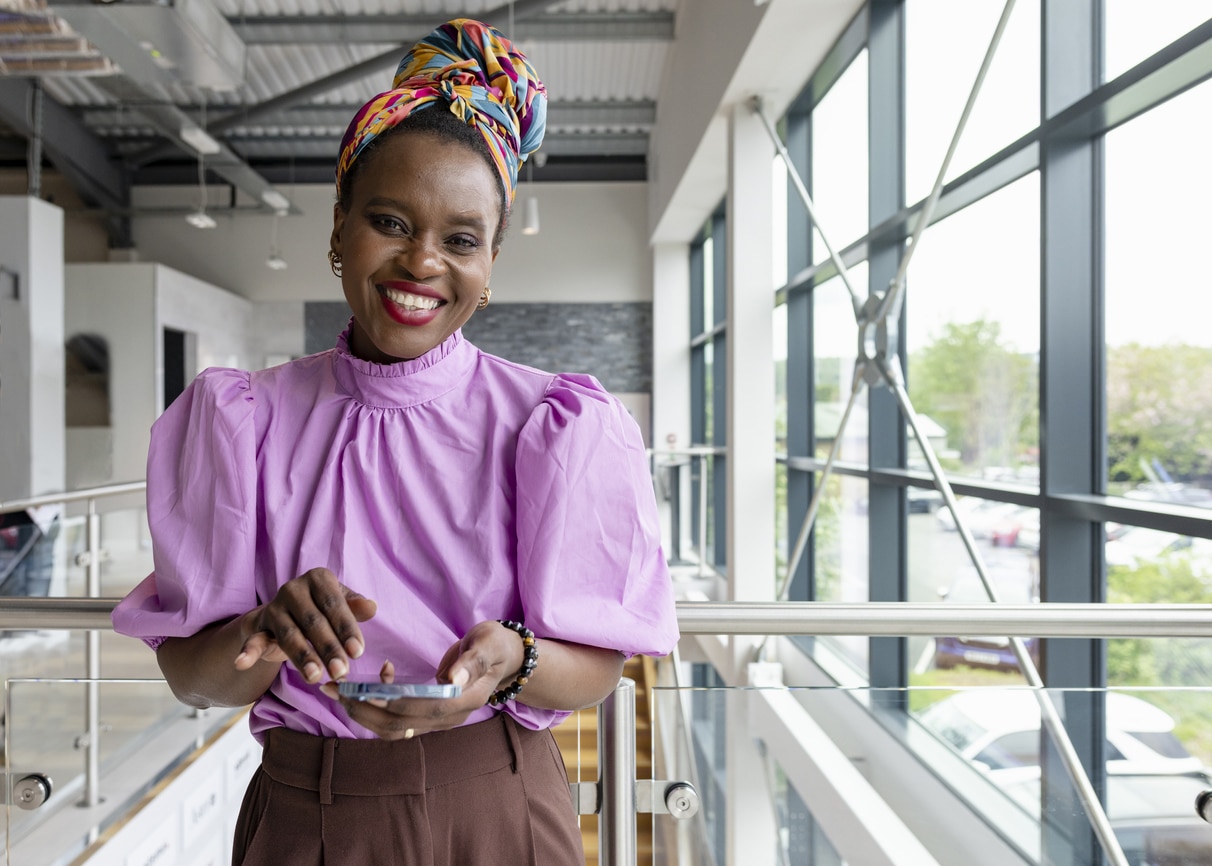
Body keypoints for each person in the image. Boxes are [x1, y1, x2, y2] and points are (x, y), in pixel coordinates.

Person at [111, 18, 678, 866]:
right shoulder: (240, 420)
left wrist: (514, 658)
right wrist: (264, 627)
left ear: (489, 271)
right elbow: (194, 680)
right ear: (337, 230)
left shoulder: (556, 425)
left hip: (501, 800)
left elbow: (596, 670)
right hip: (309, 808)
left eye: (461, 240)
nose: (422, 263)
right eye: (389, 221)